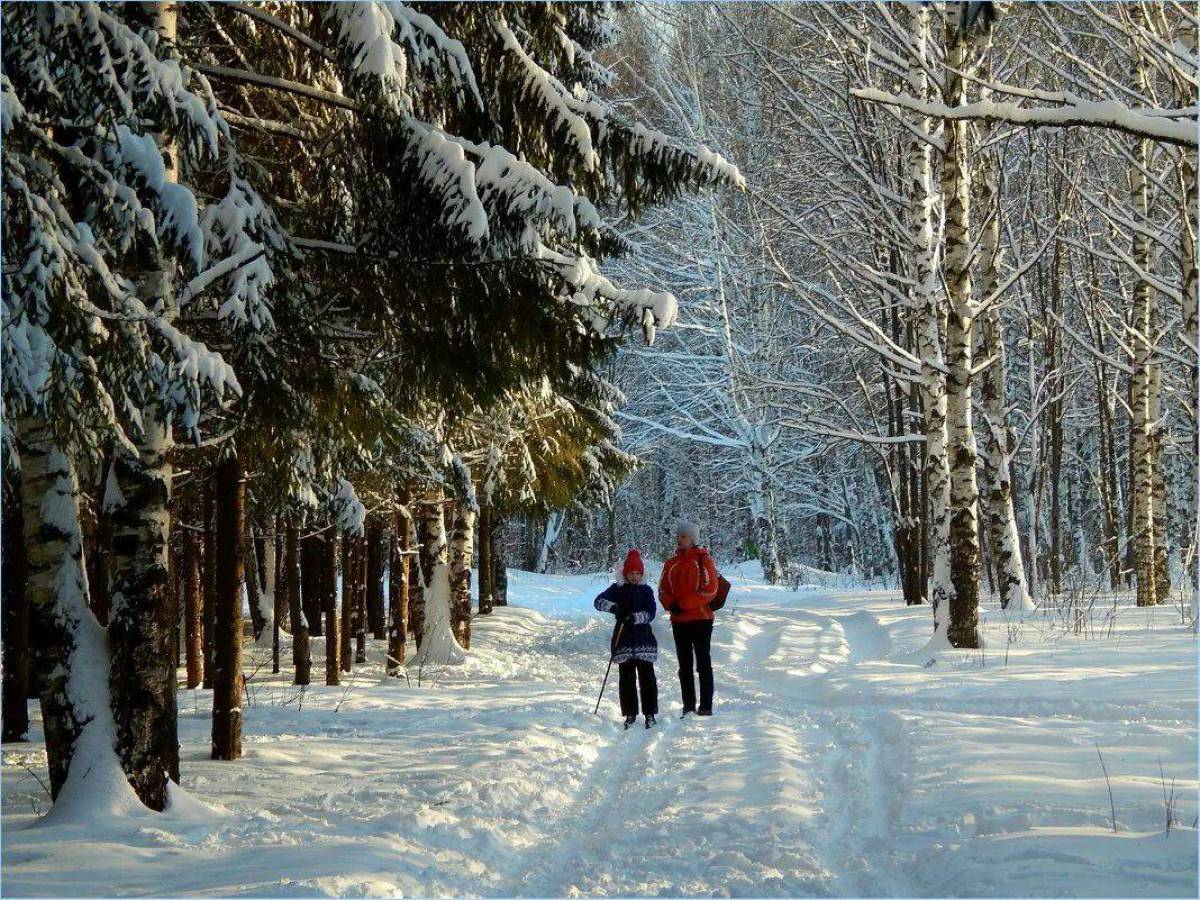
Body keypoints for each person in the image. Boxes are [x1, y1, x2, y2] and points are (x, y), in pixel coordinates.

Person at [593, 549, 659, 729]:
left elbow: (651, 613)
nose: (634, 576)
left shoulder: (646, 591)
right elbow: (598, 602)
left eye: (638, 573)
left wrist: (635, 618)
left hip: (644, 640)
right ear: (625, 573)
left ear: (642, 574)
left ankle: (650, 713)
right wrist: (615, 608)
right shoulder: (617, 589)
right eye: (631, 573)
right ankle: (630, 713)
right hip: (623, 640)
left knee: (647, 679)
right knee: (626, 680)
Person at [659, 521, 718, 717]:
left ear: (693, 539)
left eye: (683, 536)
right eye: (677, 536)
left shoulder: (703, 560)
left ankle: (706, 705)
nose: (679, 539)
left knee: (703, 663)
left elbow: (710, 590)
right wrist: (669, 603)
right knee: (684, 666)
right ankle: (688, 705)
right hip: (679, 622)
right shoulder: (671, 563)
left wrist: (682, 605)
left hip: (701, 620)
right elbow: (662, 589)